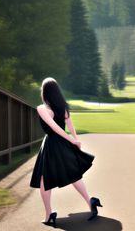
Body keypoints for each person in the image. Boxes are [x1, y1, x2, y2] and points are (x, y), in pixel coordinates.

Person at [30, 77, 103, 227]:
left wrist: (74, 141)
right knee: (72, 174)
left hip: (51, 145)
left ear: (44, 93)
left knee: (45, 179)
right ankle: (91, 202)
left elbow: (54, 129)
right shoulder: (62, 107)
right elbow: (69, 125)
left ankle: (49, 214)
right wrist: (75, 140)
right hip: (63, 144)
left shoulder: (42, 109)